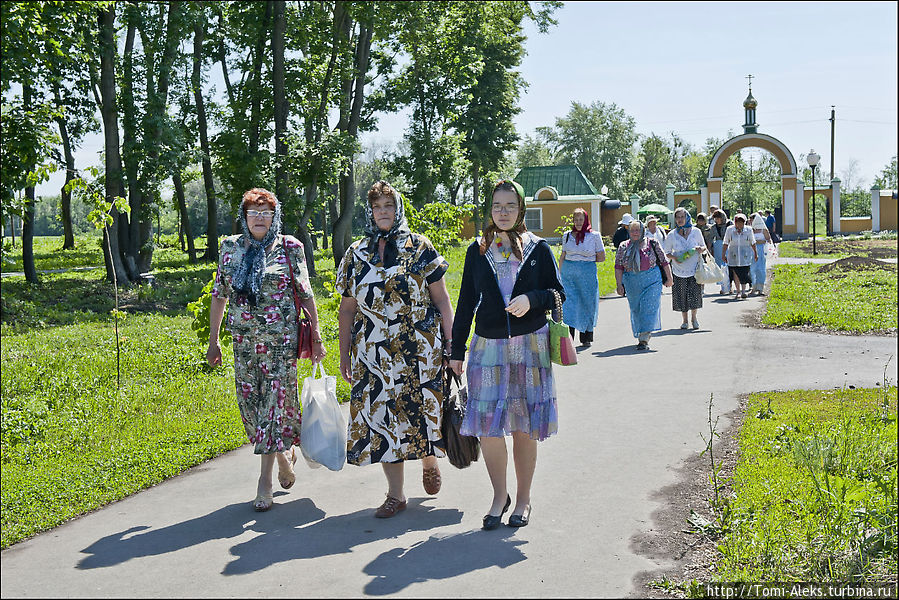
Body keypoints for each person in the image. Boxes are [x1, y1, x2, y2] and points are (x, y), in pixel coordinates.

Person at [336, 181, 455, 519]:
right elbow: (347, 309)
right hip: (374, 354)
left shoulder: (420, 247)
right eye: (377, 207)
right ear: (370, 212)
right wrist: (344, 353)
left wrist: (452, 346)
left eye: (389, 205)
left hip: (420, 350)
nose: (383, 212)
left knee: (422, 413)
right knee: (383, 421)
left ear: (398, 208)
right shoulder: (356, 252)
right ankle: (396, 494)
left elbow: (442, 300)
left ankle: (429, 460)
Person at [449, 179, 563, 530]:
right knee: (488, 427)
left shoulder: (538, 248)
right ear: (490, 209)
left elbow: (558, 293)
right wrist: (456, 350)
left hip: (530, 346)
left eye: (510, 206)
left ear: (521, 209)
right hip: (487, 348)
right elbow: (466, 301)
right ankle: (500, 496)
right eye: (497, 206)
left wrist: (533, 299)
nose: (503, 212)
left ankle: (524, 499)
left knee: (525, 426)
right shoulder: (477, 250)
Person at [207, 187, 327, 512]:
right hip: (243, 344)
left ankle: (266, 481)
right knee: (250, 409)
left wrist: (316, 334)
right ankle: (285, 458)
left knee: (272, 406)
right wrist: (213, 339)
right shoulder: (231, 248)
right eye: (253, 212)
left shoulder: (290, 247)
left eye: (266, 212)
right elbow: (220, 294)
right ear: (244, 217)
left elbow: (305, 293)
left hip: (280, 344)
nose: (259, 218)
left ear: (275, 216)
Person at [615, 220, 673, 350]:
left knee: (649, 307)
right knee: (636, 309)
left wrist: (669, 278)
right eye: (632, 230)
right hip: (632, 283)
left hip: (652, 280)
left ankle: (644, 338)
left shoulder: (652, 243)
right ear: (629, 232)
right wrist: (619, 284)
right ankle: (641, 332)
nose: (635, 233)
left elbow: (664, 261)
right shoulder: (623, 246)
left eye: (638, 230)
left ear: (642, 231)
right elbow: (618, 266)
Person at [558, 207, 605, 346]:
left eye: (581, 219)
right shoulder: (567, 235)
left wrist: (585, 260)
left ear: (586, 220)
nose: (578, 222)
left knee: (586, 304)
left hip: (587, 274)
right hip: (568, 275)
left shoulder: (594, 236)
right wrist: (559, 274)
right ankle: (569, 338)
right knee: (569, 305)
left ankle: (586, 337)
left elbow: (602, 257)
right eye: (576, 219)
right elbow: (563, 256)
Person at [664, 207, 707, 330]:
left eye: (682, 217)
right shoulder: (672, 235)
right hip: (679, 270)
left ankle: (694, 318)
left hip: (694, 269)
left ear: (687, 217)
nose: (680, 220)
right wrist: (674, 258)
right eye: (677, 217)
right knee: (682, 296)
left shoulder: (696, 231)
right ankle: (685, 320)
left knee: (694, 295)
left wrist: (700, 249)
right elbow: (666, 253)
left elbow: (703, 246)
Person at [722, 213, 758, 299]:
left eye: (741, 222)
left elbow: (753, 242)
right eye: (737, 222)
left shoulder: (748, 230)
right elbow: (726, 242)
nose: (739, 224)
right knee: (735, 272)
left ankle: (743, 291)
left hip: (745, 254)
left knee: (744, 272)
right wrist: (723, 254)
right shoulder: (730, 230)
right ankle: (738, 291)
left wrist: (756, 253)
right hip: (733, 254)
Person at [710, 210, 733, 295]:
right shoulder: (713, 227)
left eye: (718, 218)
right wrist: (709, 249)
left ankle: (730, 286)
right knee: (721, 268)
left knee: (729, 267)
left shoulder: (729, 224)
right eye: (715, 218)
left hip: (729, 246)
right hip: (718, 249)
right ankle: (723, 287)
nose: (717, 220)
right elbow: (710, 239)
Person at [749, 214, 773, 296]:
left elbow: (768, 240)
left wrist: (761, 242)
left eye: (752, 219)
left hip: (761, 251)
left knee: (761, 269)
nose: (750, 221)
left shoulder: (764, 230)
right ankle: (753, 287)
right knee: (752, 269)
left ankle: (760, 288)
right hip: (752, 251)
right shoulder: (751, 230)